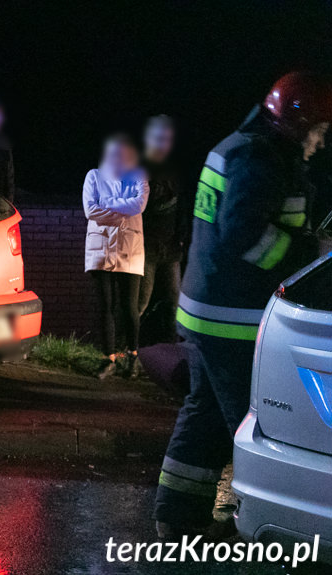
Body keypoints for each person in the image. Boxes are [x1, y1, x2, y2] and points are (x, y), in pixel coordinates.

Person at [155, 72, 331, 539]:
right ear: (298, 124)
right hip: (232, 319)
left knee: (204, 413)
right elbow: (245, 235)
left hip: (204, 311)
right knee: (253, 426)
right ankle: (262, 528)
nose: (320, 140)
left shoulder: (235, 145)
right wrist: (309, 254)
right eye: (318, 129)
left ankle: (176, 516)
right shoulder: (262, 158)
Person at [82, 134, 150, 379]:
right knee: (105, 307)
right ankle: (107, 358)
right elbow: (90, 209)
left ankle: (132, 357)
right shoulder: (94, 176)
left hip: (129, 249)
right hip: (100, 250)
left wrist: (108, 204)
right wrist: (121, 208)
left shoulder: (138, 176)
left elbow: (138, 205)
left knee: (129, 306)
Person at [138, 115, 188, 344]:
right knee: (140, 302)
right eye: (160, 138)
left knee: (173, 301)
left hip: (170, 249)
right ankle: (128, 350)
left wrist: (181, 236)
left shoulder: (174, 169)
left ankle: (171, 347)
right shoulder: (142, 167)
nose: (164, 144)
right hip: (147, 246)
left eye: (167, 139)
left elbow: (182, 206)